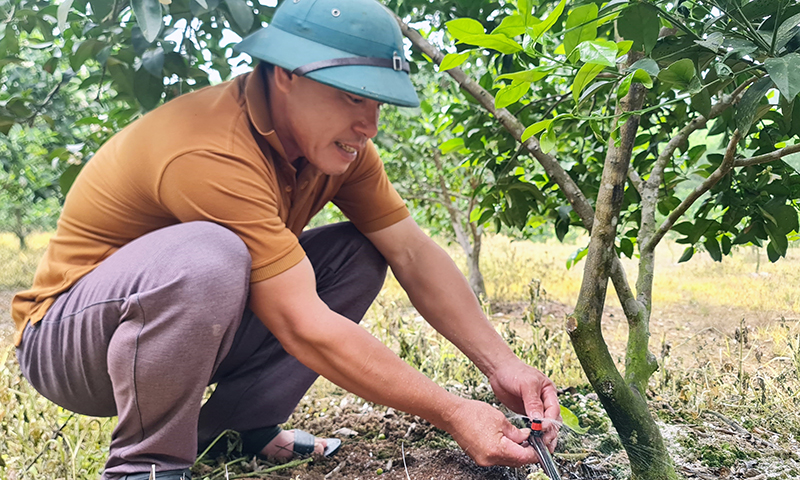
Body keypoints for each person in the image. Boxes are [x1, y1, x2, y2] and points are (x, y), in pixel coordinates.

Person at [11, 0, 560, 478]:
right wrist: (452, 411)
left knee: (360, 252)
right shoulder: (207, 148)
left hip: (190, 332)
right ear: (286, 74)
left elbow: (411, 251)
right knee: (210, 255)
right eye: (351, 97)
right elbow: (302, 322)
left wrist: (501, 365)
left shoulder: (343, 154)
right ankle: (146, 467)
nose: (368, 124)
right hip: (73, 345)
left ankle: (231, 432)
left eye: (377, 102)